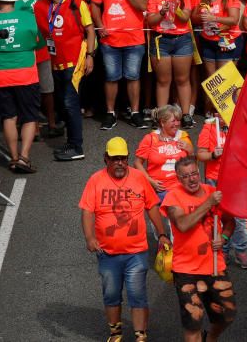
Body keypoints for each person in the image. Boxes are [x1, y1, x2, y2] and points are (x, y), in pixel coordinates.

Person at [79, 137, 167, 342]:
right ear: (105, 159)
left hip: (136, 252)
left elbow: (152, 206)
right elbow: (87, 211)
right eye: (115, 158)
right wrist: (90, 237)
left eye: (123, 158)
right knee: (111, 295)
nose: (119, 162)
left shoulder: (139, 178)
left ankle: (140, 336)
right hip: (107, 254)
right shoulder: (95, 180)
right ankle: (116, 333)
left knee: (137, 295)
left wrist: (162, 234)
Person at [161, 158, 237, 342]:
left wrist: (224, 237)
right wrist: (208, 203)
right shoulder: (173, 197)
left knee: (228, 314)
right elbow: (183, 224)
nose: (192, 179)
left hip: (214, 267)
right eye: (186, 176)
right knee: (193, 321)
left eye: (194, 173)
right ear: (179, 178)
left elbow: (230, 221)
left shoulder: (212, 193)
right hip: (186, 270)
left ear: (199, 173)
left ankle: (210, 338)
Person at [0, 0, 44, 174]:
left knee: (8, 116)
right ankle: (24, 157)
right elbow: (39, 43)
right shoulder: (28, 17)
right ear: (13, 0)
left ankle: (14, 157)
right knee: (30, 115)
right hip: (26, 72)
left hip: (0, 73)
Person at [33, 0, 96, 161]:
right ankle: (71, 142)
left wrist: (90, 55)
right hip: (56, 62)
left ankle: (77, 147)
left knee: (70, 103)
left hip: (75, 61)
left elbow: (90, 30)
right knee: (64, 104)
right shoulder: (40, 6)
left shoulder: (77, 3)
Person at [91, 0, 151, 130]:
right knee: (111, 77)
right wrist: (100, 26)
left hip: (134, 38)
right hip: (110, 38)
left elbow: (143, 6)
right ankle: (110, 113)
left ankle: (135, 112)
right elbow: (94, 5)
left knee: (133, 76)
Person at [145, 0, 200, 126]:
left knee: (182, 79)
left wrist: (175, 8)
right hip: (161, 40)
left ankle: (186, 115)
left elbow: (185, 18)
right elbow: (151, 21)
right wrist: (162, 12)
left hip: (182, 40)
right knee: (163, 80)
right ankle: (162, 117)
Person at [133, 105, 194, 199]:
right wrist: (150, 181)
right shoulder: (150, 139)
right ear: (162, 122)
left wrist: (190, 151)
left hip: (182, 187)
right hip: (160, 190)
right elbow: (137, 163)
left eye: (178, 120)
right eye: (173, 121)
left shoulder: (183, 136)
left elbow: (192, 165)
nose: (177, 124)